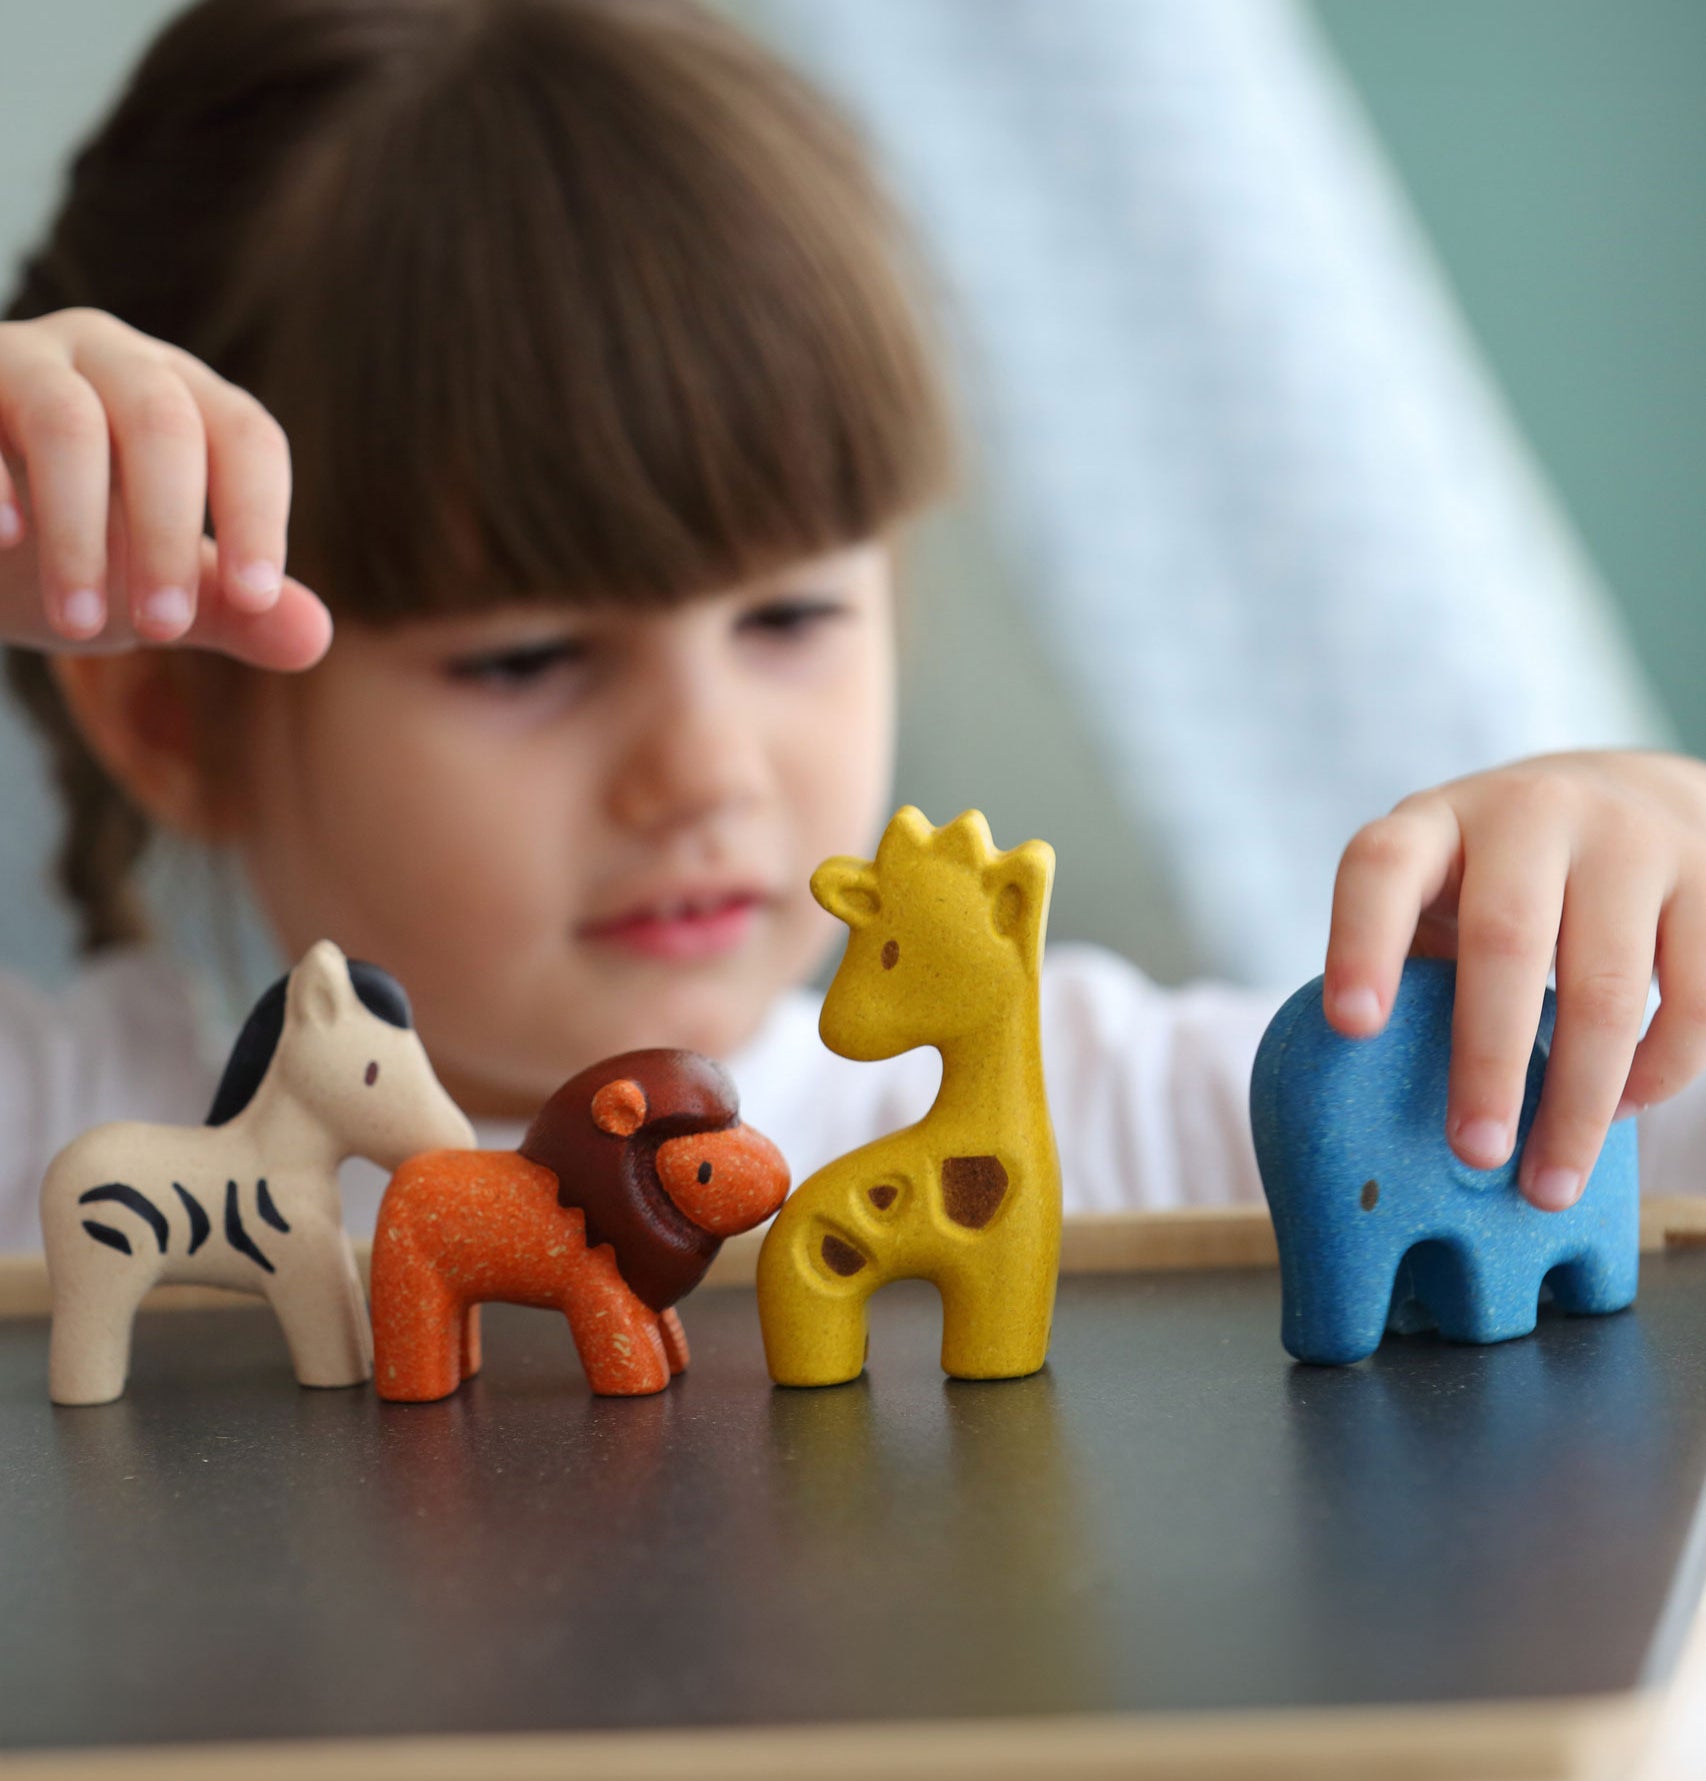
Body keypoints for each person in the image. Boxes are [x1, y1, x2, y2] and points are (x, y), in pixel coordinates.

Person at [0, 0, 1701, 1251]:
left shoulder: (1120, 1123)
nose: (705, 769)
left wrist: (1649, 885)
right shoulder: (62, 1154)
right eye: (526, 659)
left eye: (792, 614)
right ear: (165, 716)